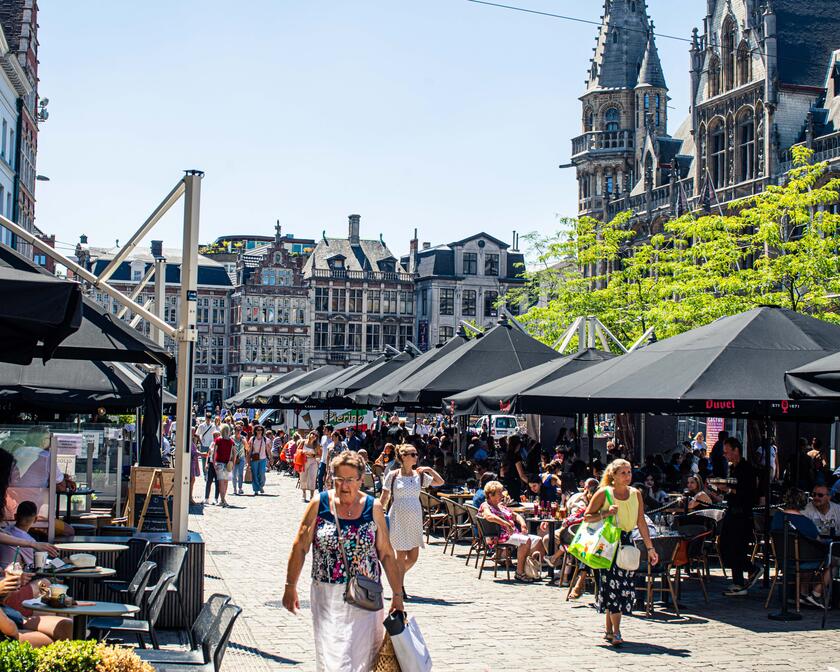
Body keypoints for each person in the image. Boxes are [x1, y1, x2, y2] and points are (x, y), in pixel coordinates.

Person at [283, 451, 404, 671]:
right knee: (332, 656)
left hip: (366, 593)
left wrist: (397, 595)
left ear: (360, 480)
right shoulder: (319, 504)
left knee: (364, 656)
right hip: (327, 592)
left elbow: (386, 553)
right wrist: (290, 586)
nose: (345, 486)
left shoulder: (373, 507)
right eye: (339, 479)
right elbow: (300, 546)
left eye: (350, 480)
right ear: (331, 478)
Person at [583, 459, 658, 647]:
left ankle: (609, 630)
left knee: (621, 586)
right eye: (623, 473)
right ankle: (616, 632)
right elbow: (587, 516)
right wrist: (606, 514)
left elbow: (641, 521)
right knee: (611, 587)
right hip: (608, 543)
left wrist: (650, 548)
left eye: (629, 472)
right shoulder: (604, 493)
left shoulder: (636, 494)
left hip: (627, 543)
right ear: (613, 475)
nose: (627, 476)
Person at [379, 444, 444, 599]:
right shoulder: (393, 475)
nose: (416, 456)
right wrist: (376, 513)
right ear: (403, 457)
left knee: (413, 556)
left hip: (415, 517)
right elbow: (384, 497)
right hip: (398, 516)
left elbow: (439, 482)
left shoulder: (419, 475)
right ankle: (399, 588)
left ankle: (395, 575)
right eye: (412, 454)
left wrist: (429, 469)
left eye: (416, 454)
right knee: (400, 555)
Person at [717, 437, 762, 597]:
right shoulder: (732, 468)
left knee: (736, 548)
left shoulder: (746, 469)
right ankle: (738, 581)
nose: (725, 455)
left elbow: (749, 494)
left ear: (736, 450)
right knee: (726, 546)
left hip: (742, 514)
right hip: (732, 511)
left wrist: (728, 490)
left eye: (727, 452)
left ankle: (748, 572)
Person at [478, 480, 547, 583]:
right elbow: (489, 516)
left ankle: (531, 568)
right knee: (526, 540)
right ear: (490, 495)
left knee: (538, 540)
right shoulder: (485, 505)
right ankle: (519, 572)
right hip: (498, 536)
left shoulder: (500, 506)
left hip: (512, 534)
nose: (502, 495)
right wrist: (505, 523)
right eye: (499, 493)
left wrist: (523, 524)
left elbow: (516, 515)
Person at [212, 425, 234, 507]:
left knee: (221, 482)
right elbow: (233, 453)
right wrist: (233, 463)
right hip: (227, 463)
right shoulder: (231, 441)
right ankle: (223, 499)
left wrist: (214, 463)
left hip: (219, 463)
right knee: (225, 482)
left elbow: (215, 452)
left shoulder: (218, 440)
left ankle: (222, 500)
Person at [248, 424, 270, 495]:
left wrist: (270, 457)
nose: (259, 431)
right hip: (254, 459)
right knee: (254, 474)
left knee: (262, 474)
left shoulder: (265, 439)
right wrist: (248, 459)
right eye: (258, 430)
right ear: (255, 431)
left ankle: (261, 486)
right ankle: (256, 489)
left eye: (261, 430)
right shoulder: (252, 439)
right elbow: (250, 450)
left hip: (263, 459)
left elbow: (268, 450)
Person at [300, 432, 321, 503]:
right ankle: (304, 494)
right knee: (303, 477)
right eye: (313, 434)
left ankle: (312, 495)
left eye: (316, 435)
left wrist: (313, 455)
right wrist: (303, 452)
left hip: (313, 461)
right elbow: (298, 450)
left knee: (312, 477)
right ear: (310, 434)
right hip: (303, 461)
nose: (314, 436)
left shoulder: (316, 445)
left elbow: (319, 455)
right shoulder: (303, 442)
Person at [203, 430, 221, 506]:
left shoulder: (220, 444)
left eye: (216, 435)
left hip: (217, 464)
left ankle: (216, 498)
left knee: (217, 483)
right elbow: (209, 454)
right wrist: (206, 463)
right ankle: (206, 498)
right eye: (214, 436)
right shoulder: (212, 443)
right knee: (208, 482)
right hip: (211, 464)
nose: (215, 437)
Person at [231, 423, 248, 496]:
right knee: (234, 474)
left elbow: (247, 448)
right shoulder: (231, 438)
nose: (239, 431)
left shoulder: (243, 438)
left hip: (241, 457)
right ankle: (235, 489)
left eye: (240, 430)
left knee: (240, 474)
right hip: (233, 458)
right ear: (234, 430)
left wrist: (245, 443)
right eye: (237, 430)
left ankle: (240, 488)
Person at [189, 431, 201, 505]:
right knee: (191, 480)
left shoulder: (191, 442)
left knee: (192, 480)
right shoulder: (189, 442)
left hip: (193, 463)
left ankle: (190, 497)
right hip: (190, 464)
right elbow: (192, 453)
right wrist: (202, 454)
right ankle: (190, 497)